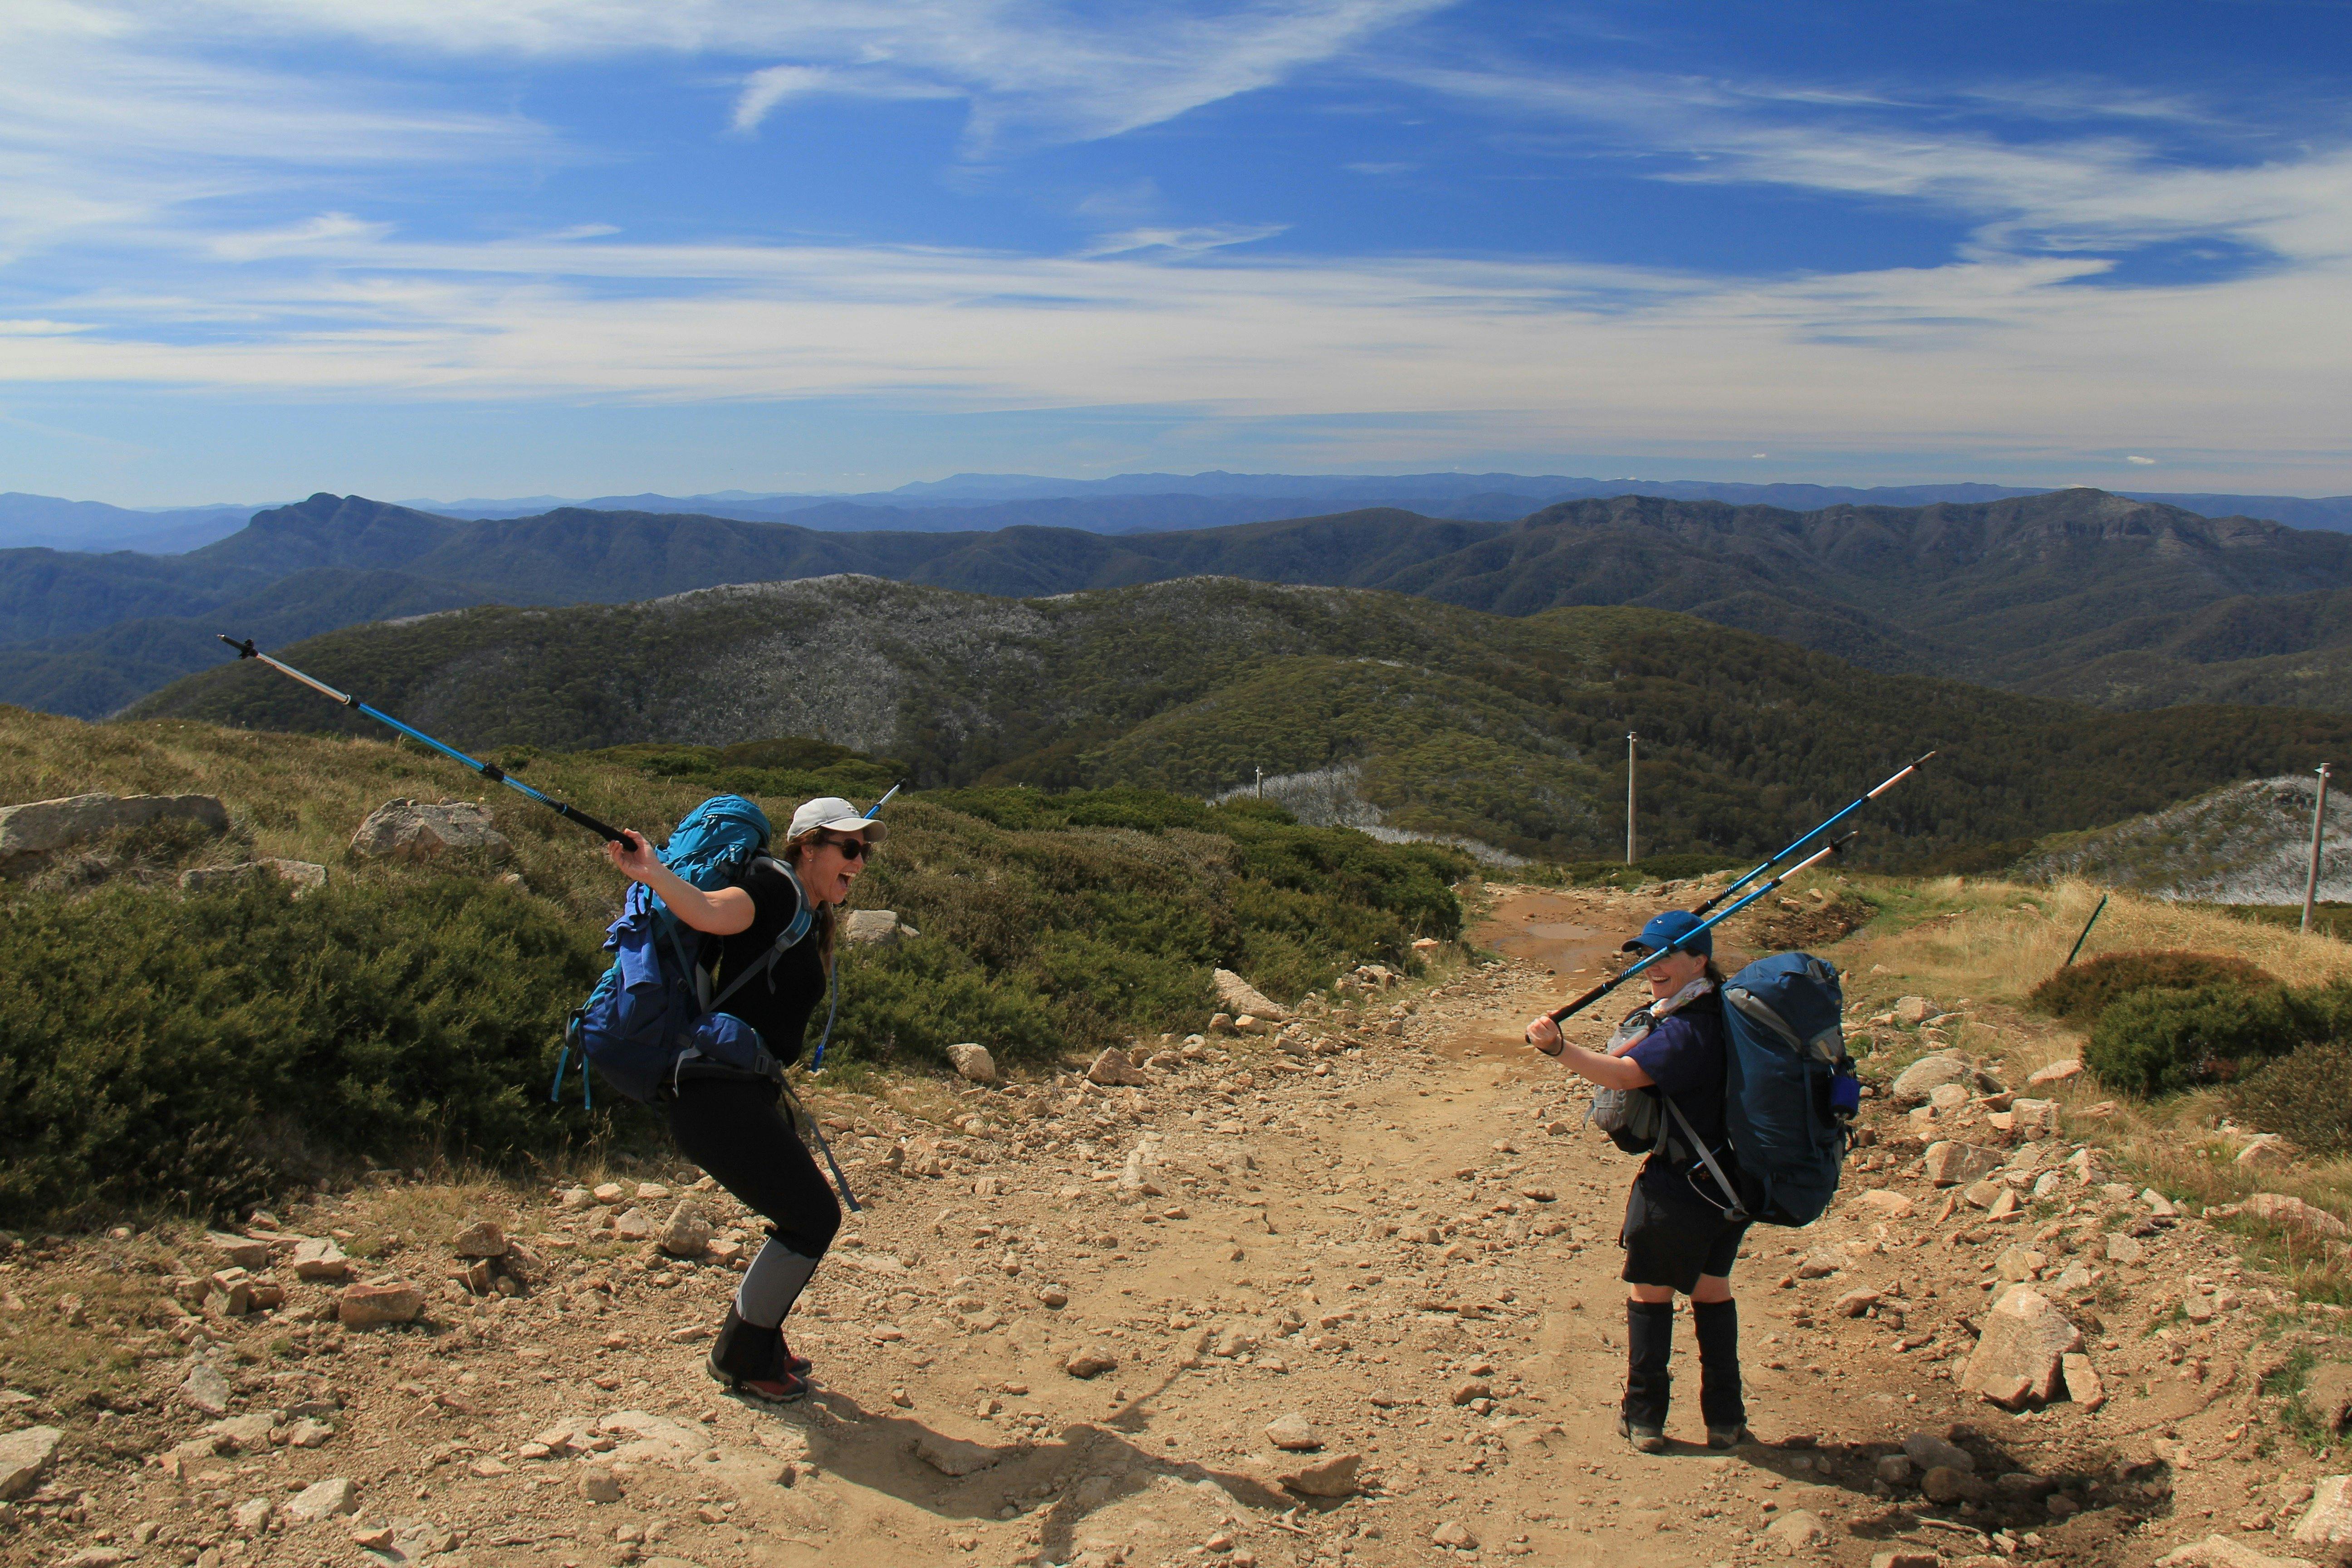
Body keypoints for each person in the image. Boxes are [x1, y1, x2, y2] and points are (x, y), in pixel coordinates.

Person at [602, 794, 883, 1402]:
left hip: (735, 1092)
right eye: (850, 848)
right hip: (714, 1097)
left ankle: (760, 1341)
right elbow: (709, 912)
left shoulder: (805, 913)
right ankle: (742, 1356)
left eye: (864, 850)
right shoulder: (773, 885)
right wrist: (651, 872)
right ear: (806, 847)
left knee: (801, 1214)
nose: (859, 862)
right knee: (813, 1218)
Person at [1524, 909, 1749, 1453]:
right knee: (1712, 1289)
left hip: (1679, 1186)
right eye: (1647, 955)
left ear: (1700, 960)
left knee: (1651, 1294)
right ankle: (1726, 1418)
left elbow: (1625, 1074)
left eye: (1666, 955)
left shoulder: (1690, 1028)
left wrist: (1559, 1049)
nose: (1652, 966)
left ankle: (1645, 1418)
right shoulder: (1716, 1014)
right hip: (1731, 1183)